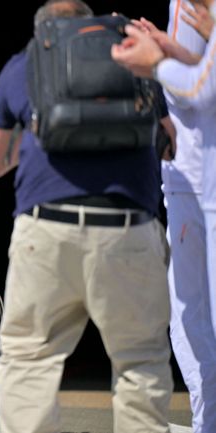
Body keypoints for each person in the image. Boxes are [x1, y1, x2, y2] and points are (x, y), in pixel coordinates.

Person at [0, 1, 174, 432]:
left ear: (42, 33)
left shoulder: (23, 65)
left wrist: (38, 139)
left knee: (29, 358)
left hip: (46, 230)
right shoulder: (132, 58)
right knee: (140, 359)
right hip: (128, 229)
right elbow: (172, 141)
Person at [111, 2, 216, 431]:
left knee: (194, 318)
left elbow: (201, 92)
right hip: (191, 182)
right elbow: (205, 74)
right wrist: (169, 50)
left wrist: (156, 63)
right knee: (189, 319)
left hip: (201, 184)